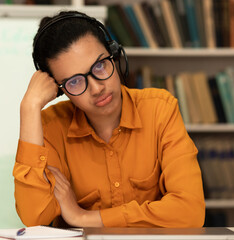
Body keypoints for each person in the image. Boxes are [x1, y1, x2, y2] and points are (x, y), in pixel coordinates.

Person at [13, 10, 205, 228]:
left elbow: (190, 213)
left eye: (100, 66)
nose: (96, 88)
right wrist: (29, 107)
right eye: (75, 82)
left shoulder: (160, 110)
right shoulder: (51, 126)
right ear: (60, 90)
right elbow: (34, 218)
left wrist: (82, 218)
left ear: (114, 54)